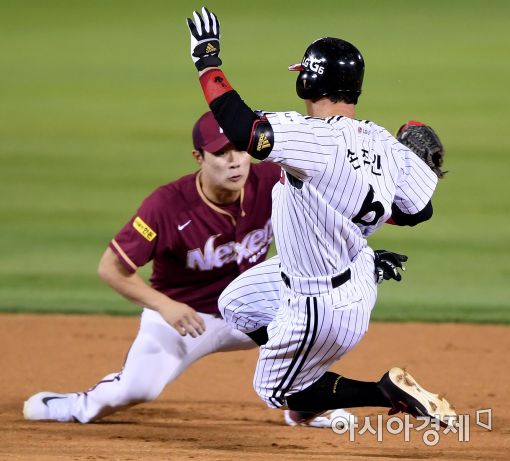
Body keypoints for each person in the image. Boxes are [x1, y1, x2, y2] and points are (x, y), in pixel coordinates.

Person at [186, 8, 456, 427]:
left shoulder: (313, 137)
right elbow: (418, 210)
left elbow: (245, 131)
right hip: (351, 270)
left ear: (309, 79)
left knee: (275, 392)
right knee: (236, 304)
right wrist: (362, 241)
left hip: (319, 301)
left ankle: (382, 390)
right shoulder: (381, 140)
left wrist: (207, 60)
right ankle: (302, 365)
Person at [22, 111, 359, 428]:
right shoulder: (167, 205)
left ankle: (306, 407)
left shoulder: (273, 180)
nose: (235, 161)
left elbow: (334, 186)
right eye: (221, 153)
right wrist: (165, 306)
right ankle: (75, 406)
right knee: (138, 390)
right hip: (185, 318)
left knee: (320, 320)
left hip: (250, 310)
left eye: (241, 149)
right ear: (199, 158)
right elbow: (111, 268)